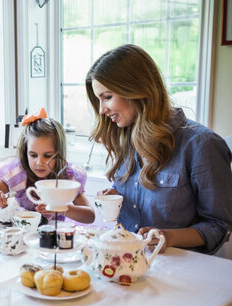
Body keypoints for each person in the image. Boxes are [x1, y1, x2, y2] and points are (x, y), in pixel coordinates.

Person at [86, 44, 232, 254]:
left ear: (136, 90)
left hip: (179, 271)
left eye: (107, 97)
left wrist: (168, 237)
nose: (101, 110)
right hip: (127, 263)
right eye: (99, 99)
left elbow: (219, 226)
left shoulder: (202, 145)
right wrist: (119, 197)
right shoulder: (126, 137)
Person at [0, 108, 95, 224]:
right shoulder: (18, 174)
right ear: (25, 152)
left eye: (47, 156)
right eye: (33, 155)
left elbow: (90, 216)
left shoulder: (66, 178)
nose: (39, 162)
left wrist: (61, 208)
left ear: (59, 154)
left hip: (54, 238)